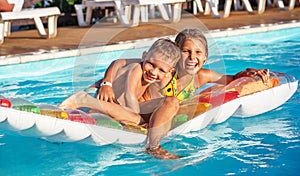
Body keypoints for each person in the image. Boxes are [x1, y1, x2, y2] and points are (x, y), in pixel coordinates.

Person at [97, 28, 270, 159]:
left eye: (197, 53)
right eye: (186, 51)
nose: (192, 57)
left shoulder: (202, 76)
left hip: (157, 113)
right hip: (137, 111)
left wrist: (250, 72)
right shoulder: (164, 70)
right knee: (171, 101)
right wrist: (106, 83)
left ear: (205, 58)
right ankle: (153, 147)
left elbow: (231, 78)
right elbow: (120, 62)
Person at [59, 38, 181, 152]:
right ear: (144, 56)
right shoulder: (136, 68)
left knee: (170, 102)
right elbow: (129, 97)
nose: (153, 72)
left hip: (107, 105)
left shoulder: (161, 78)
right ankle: (83, 100)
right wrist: (107, 83)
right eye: (151, 64)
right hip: (96, 95)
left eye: (161, 70)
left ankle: (153, 144)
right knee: (137, 117)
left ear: (169, 72)